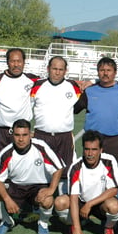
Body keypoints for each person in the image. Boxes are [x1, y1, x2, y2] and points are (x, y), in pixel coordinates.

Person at [0, 119, 64, 234]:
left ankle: (43, 223)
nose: (21, 139)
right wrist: (7, 200)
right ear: (12, 135)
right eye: (17, 135)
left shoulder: (40, 147)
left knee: (48, 199)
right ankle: (7, 221)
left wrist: (52, 189)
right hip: (16, 187)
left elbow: (58, 168)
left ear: (30, 134)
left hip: (37, 187)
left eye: (24, 135)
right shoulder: (6, 153)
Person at [54, 130, 118, 234]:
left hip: (100, 203)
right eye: (87, 149)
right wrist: (77, 228)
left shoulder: (109, 161)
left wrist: (90, 204)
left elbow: (114, 189)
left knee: (114, 206)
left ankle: (108, 228)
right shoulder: (75, 167)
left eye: (94, 150)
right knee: (60, 202)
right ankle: (74, 225)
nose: (90, 153)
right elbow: (74, 199)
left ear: (101, 150)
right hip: (81, 204)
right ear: (83, 149)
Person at [30, 56, 81, 194]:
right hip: (41, 136)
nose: (57, 72)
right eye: (54, 69)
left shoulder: (73, 86)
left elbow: (83, 102)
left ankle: (62, 208)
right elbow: (27, 110)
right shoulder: (37, 86)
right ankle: (39, 208)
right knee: (40, 172)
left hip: (64, 137)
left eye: (60, 69)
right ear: (48, 69)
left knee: (66, 173)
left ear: (65, 71)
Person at [0, 48, 39, 161]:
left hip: (22, 132)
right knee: (1, 165)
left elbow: (54, 83)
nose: (16, 65)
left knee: (22, 166)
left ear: (24, 62)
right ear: (7, 62)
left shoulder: (33, 79)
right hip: (1, 132)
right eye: (12, 61)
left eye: (19, 61)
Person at [74, 57, 118, 164]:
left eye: (109, 70)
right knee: (90, 170)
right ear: (98, 72)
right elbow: (74, 109)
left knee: (111, 171)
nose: (105, 73)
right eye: (102, 70)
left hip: (114, 139)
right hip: (92, 139)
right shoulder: (89, 91)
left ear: (115, 72)